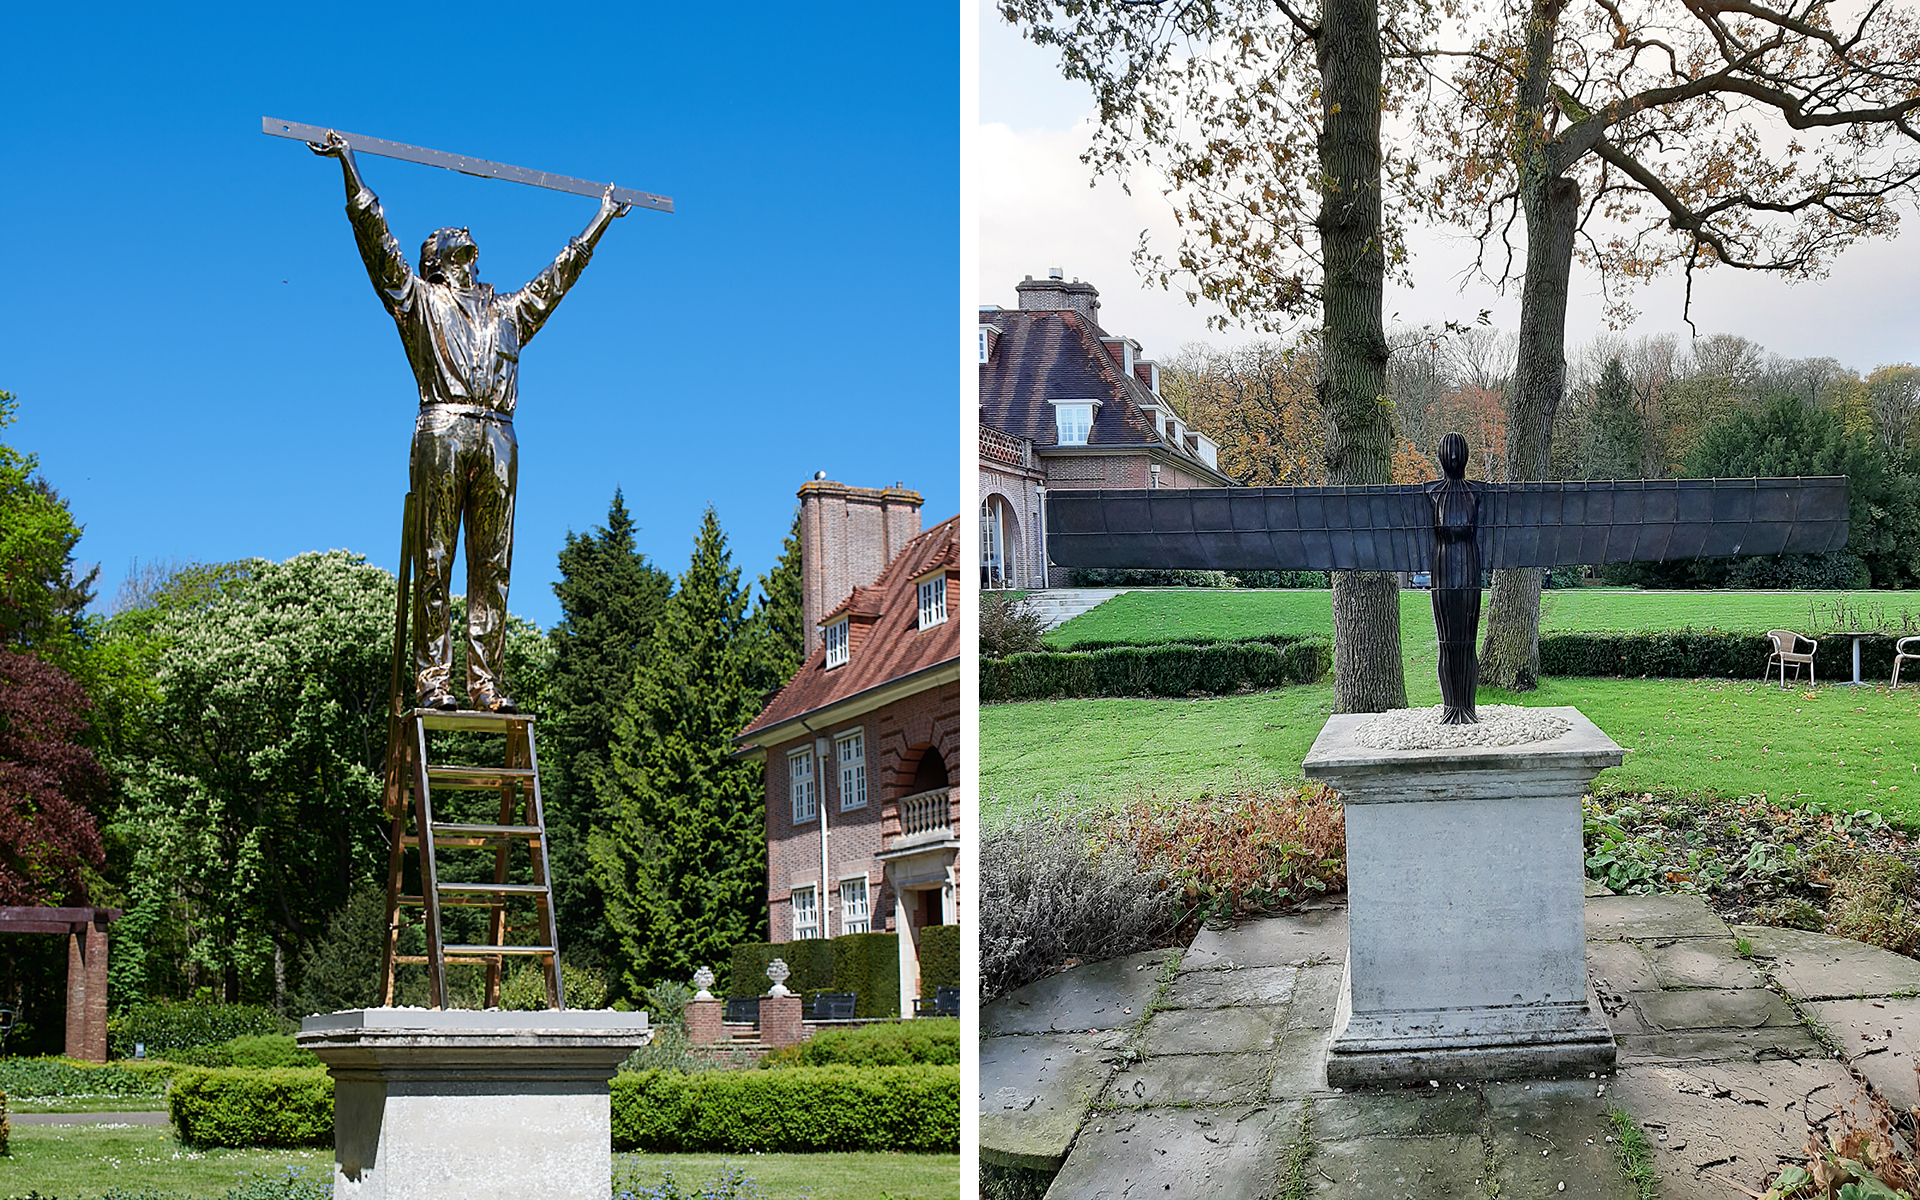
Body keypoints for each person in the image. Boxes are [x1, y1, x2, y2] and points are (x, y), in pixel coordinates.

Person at [310, 131, 629, 712]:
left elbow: (557, 280)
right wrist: (350, 170)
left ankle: (486, 683)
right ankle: (434, 680)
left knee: (493, 565)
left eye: (472, 250)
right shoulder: (420, 300)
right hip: (444, 427)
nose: (473, 255)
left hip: (499, 436)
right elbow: (378, 245)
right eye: (462, 250)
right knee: (434, 558)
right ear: (442, 261)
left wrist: (600, 220)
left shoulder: (506, 311)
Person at [1428, 433, 1482, 724]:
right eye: (1448, 452)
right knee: (1447, 642)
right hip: (1443, 568)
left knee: (1467, 642)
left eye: (1457, 451)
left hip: (1470, 567)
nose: (1452, 457)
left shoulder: (1477, 492)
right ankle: (1451, 706)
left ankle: (1468, 707)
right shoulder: (1432, 493)